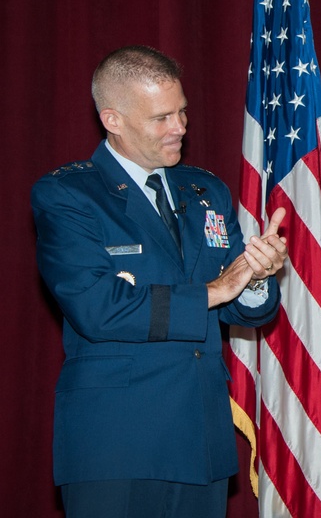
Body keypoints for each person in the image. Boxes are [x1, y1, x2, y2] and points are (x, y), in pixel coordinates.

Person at [31, 45, 288, 518]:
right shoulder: (69, 194)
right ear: (113, 119)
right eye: (161, 118)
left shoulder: (204, 189)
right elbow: (98, 307)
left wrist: (256, 275)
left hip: (202, 439)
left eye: (183, 112)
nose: (180, 128)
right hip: (118, 444)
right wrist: (216, 290)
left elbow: (244, 308)